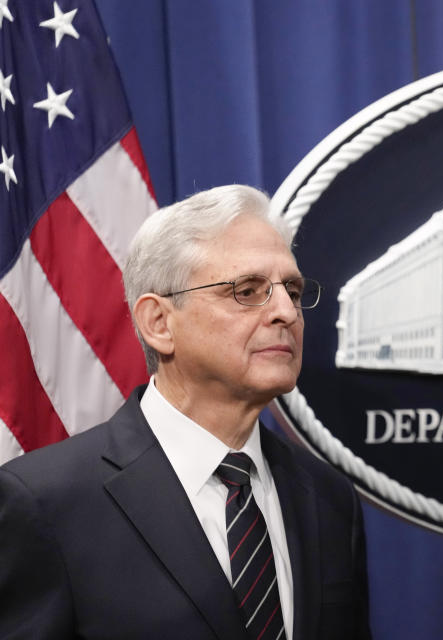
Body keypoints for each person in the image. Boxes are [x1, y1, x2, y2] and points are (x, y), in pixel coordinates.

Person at [0, 185, 372, 639]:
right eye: (248, 290)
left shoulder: (329, 498)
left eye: (292, 290)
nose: (286, 312)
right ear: (158, 323)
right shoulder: (44, 502)